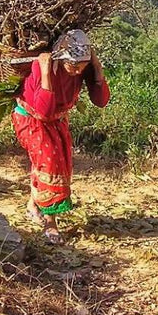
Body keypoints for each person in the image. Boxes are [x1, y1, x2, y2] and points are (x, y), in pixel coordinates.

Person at [12, 29, 110, 244]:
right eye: (72, 66)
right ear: (60, 58)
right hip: (32, 119)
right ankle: (50, 223)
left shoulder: (82, 69)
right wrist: (46, 74)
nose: (76, 72)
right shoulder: (42, 66)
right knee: (50, 166)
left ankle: (32, 205)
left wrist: (96, 68)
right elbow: (44, 111)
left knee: (53, 164)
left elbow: (101, 100)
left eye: (81, 66)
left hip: (56, 121)